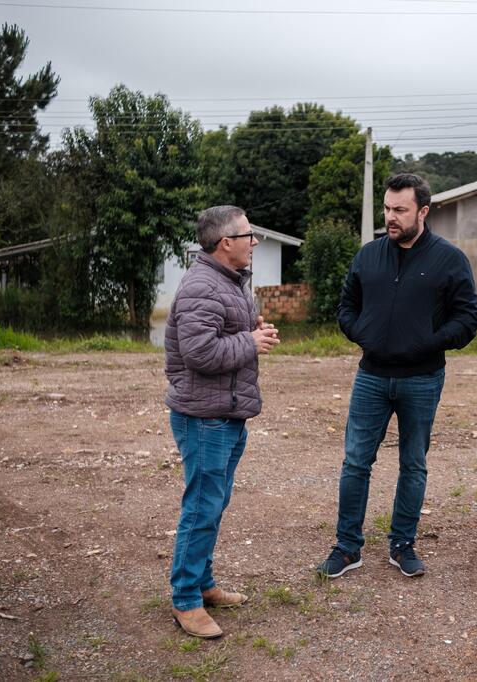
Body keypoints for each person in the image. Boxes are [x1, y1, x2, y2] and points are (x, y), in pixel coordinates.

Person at [316, 173, 477, 579]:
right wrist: (364, 334)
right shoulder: (369, 255)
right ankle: (347, 547)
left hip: (422, 378)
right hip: (371, 376)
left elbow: (467, 318)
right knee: (355, 462)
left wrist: (426, 341)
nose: (390, 217)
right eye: (387, 208)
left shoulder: (449, 259)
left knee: (413, 464)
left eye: (399, 210)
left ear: (423, 211)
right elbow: (346, 306)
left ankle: (403, 544)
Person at [164, 205, 280, 638]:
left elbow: (224, 337)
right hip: (205, 417)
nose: (254, 242)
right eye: (249, 235)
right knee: (201, 507)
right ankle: (186, 600)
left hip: (225, 414)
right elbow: (200, 353)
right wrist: (249, 342)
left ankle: (203, 583)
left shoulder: (229, 282)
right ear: (225, 242)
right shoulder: (201, 287)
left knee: (213, 505)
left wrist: (255, 332)